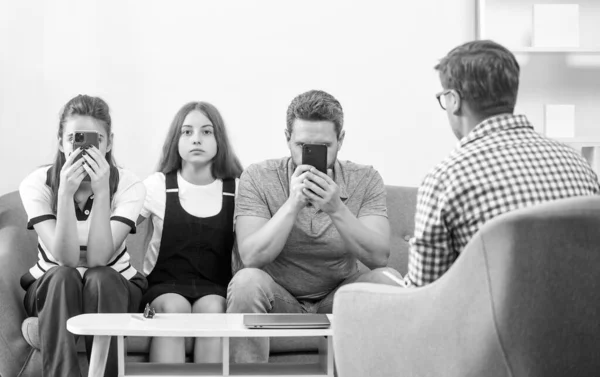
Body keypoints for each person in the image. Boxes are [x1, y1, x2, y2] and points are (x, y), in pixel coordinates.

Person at [404, 40, 600, 287]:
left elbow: (425, 295)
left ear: (453, 100)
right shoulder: (578, 164)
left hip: (499, 325)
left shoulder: (445, 178)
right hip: (584, 322)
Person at [227, 89, 394, 363]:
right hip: (279, 297)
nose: (310, 156)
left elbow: (379, 257)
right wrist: (293, 203)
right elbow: (251, 257)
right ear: (287, 139)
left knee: (388, 280)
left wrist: (336, 208)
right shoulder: (258, 177)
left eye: (323, 147)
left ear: (340, 139)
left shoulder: (365, 178)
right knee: (246, 282)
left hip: (339, 298)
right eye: (302, 145)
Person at [19, 94, 147, 377]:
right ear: (61, 143)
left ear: (109, 142)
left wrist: (102, 192)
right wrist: (64, 193)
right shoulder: (36, 184)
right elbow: (64, 259)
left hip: (115, 283)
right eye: (74, 139)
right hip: (51, 284)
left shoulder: (129, 184)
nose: (84, 149)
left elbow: (100, 259)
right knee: (63, 276)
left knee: (100, 277)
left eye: (95, 140)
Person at [137, 101, 243, 363]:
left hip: (215, 288)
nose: (197, 139)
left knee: (214, 310)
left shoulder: (237, 189)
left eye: (206, 132)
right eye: (187, 132)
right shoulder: (156, 186)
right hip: (162, 288)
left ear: (220, 140)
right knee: (174, 308)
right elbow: (115, 232)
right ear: (176, 139)